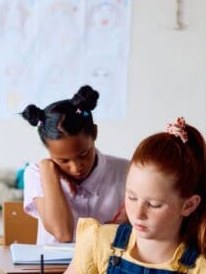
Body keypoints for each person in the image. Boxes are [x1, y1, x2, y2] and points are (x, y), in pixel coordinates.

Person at [20, 118, 206, 274]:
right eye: (131, 197)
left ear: (189, 205)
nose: (137, 213)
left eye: (154, 204)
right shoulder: (101, 243)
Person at [21, 85, 129, 244]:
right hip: (55, 269)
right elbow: (63, 233)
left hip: (106, 268)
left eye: (84, 154)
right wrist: (48, 168)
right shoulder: (37, 173)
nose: (76, 167)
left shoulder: (126, 171)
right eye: (63, 161)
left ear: (94, 133)